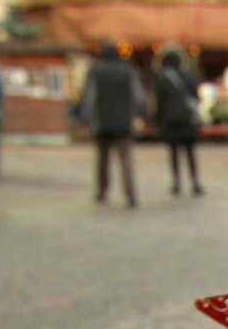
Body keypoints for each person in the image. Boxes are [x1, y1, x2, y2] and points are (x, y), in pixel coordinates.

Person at [79, 43, 145, 208]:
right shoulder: (128, 71)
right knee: (126, 160)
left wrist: (86, 118)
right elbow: (139, 97)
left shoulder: (96, 71)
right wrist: (138, 114)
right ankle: (130, 194)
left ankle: (102, 192)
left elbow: (90, 97)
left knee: (103, 160)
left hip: (102, 122)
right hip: (124, 122)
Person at [154, 50, 203, 196]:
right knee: (190, 152)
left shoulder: (163, 78)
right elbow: (195, 95)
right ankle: (195, 181)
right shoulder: (189, 74)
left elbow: (159, 101)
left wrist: (158, 120)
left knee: (174, 152)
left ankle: (177, 182)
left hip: (171, 120)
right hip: (188, 118)